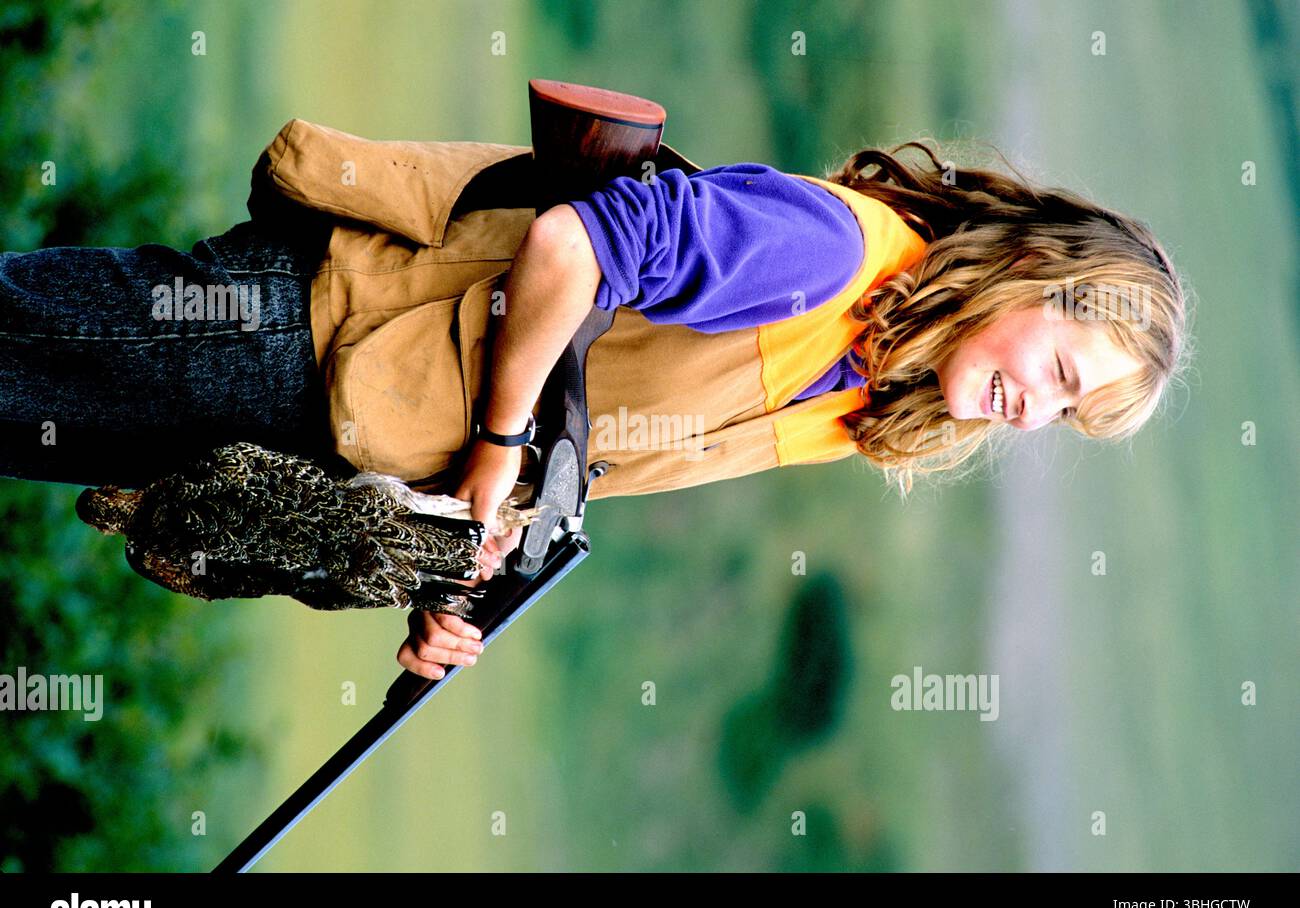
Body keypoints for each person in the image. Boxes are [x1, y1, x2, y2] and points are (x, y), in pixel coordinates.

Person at [0, 131, 1192, 682]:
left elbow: (592, 427)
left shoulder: (856, 394)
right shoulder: (828, 254)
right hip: (298, 334)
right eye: (1063, 377)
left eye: (1065, 423)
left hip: (327, 424)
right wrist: (503, 441)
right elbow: (578, 244)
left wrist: (454, 575)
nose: (1034, 415)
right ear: (1038, 279)